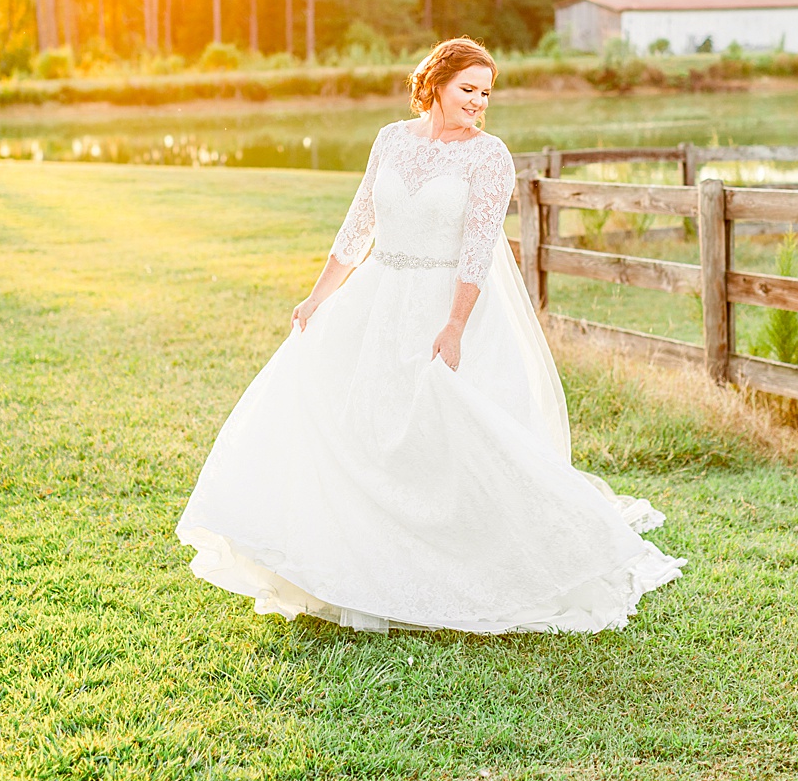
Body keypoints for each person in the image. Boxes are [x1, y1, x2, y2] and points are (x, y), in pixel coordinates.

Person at [177, 37, 683, 633]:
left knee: (443, 430)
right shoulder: (391, 139)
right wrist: (318, 296)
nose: (478, 102)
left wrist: (455, 326)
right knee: (354, 419)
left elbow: (477, 251)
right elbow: (358, 225)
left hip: (444, 307)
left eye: (486, 93)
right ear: (435, 83)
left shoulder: (489, 156)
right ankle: (359, 559)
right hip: (378, 297)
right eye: (468, 88)